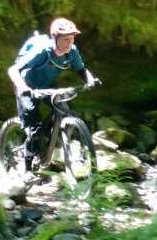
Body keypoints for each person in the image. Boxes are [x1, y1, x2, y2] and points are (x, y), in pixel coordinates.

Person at [7, 18, 99, 179]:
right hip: (26, 86)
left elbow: (81, 70)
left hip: (47, 85)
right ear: (55, 38)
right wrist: (23, 88)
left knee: (65, 110)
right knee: (33, 129)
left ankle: (55, 143)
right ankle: (27, 169)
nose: (69, 43)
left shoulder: (72, 51)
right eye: (65, 39)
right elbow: (13, 70)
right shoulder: (42, 51)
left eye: (71, 39)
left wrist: (90, 80)